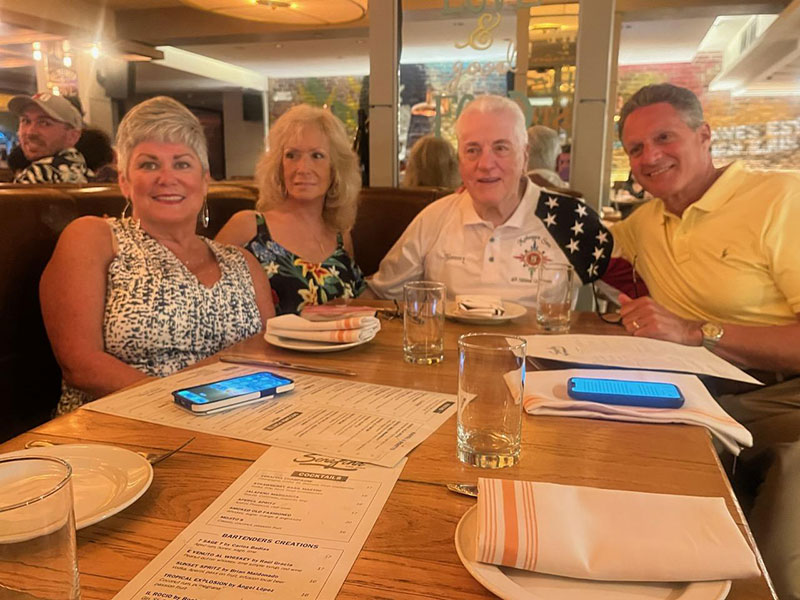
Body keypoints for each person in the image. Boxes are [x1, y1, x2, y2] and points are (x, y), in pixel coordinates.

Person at [612, 83, 800, 600]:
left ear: (704, 134)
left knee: (778, 511)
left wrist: (697, 333)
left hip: (781, 393)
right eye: (635, 148)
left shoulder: (781, 198)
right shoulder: (642, 224)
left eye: (664, 137)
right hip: (700, 392)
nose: (650, 156)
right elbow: (578, 250)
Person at [40, 96, 274, 415]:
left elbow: (267, 354)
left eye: (182, 163)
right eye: (149, 164)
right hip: (115, 434)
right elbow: (80, 365)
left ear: (204, 181)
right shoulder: (94, 238)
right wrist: (185, 405)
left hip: (234, 423)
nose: (167, 177)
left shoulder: (242, 262)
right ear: (124, 181)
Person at [368, 95, 611, 306]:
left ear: (524, 156)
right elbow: (381, 295)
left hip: (539, 359)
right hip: (452, 357)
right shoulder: (434, 218)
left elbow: (634, 292)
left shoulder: (571, 220)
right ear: (460, 160)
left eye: (501, 148)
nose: (485, 164)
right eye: (472, 150)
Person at [216, 104, 365, 315]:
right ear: (278, 166)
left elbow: (362, 307)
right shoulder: (248, 227)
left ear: (336, 168)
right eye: (291, 155)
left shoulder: (341, 235)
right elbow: (205, 299)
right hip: (261, 349)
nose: (302, 168)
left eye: (317, 156)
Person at [8, 92, 90, 184]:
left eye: (44, 123)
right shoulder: (85, 172)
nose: (30, 132)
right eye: (26, 121)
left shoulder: (37, 175)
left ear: (72, 136)